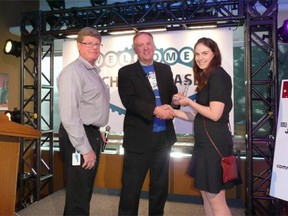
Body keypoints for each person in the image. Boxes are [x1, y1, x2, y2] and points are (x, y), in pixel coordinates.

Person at [117, 32, 178, 216]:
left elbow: (171, 95)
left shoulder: (165, 69)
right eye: (140, 44)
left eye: (148, 43)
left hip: (163, 139)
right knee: (131, 189)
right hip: (138, 141)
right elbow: (129, 101)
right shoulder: (126, 72)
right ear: (135, 49)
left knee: (160, 189)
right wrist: (155, 110)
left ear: (154, 45)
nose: (145, 47)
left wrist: (175, 100)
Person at [173, 37, 235, 216]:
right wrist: (172, 111)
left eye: (205, 53)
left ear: (214, 54)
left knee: (216, 199)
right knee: (207, 196)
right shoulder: (208, 77)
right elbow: (199, 116)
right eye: (197, 54)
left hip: (213, 146)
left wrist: (189, 102)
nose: (200, 58)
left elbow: (214, 114)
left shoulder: (218, 75)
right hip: (206, 145)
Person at [57, 27, 110, 215]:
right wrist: (84, 148)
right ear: (79, 46)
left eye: (97, 44)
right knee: (78, 193)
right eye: (89, 43)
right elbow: (70, 115)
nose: (94, 48)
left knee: (83, 189)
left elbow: (88, 108)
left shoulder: (92, 71)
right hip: (77, 138)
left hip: (89, 133)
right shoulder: (73, 72)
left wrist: (96, 132)